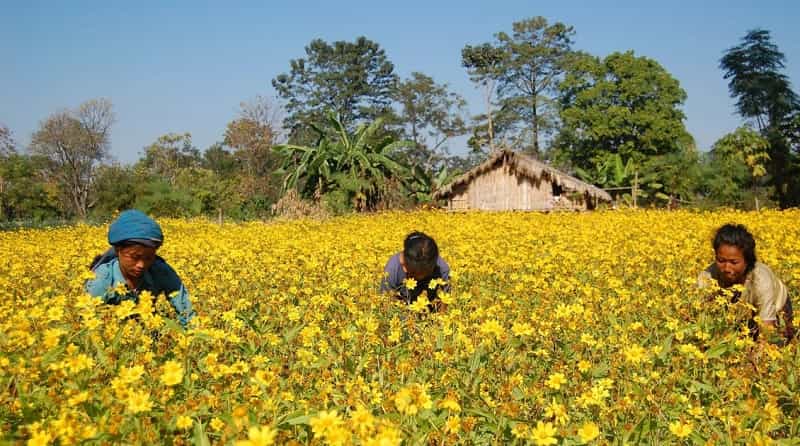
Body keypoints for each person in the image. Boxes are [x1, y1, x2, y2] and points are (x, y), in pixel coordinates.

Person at [85, 210, 195, 327]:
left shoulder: (161, 270)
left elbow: (187, 313)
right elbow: (87, 322)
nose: (141, 265)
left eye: (149, 257)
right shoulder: (101, 279)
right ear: (118, 250)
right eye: (134, 257)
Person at [698, 223, 794, 342]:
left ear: (748, 260)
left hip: (777, 305)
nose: (727, 268)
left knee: (780, 342)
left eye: (734, 262)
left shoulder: (761, 280)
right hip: (738, 312)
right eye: (721, 260)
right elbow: (701, 317)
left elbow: (767, 328)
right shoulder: (707, 277)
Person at [380, 231, 450, 311]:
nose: (419, 277)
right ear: (404, 264)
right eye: (413, 272)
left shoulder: (442, 269)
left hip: (430, 316)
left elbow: (443, 305)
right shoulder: (392, 270)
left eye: (425, 273)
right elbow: (387, 308)